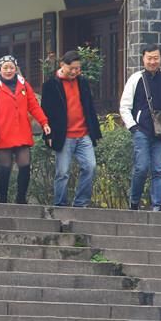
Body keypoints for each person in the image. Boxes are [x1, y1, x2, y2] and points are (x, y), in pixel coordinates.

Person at [119, 44, 161, 211]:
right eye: (149, 58)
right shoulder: (135, 78)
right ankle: (134, 202)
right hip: (142, 130)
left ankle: (157, 206)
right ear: (143, 59)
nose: (152, 61)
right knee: (141, 167)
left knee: (159, 170)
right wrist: (133, 127)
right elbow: (124, 106)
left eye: (156, 58)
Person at [0, 55, 51, 204]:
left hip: (22, 132)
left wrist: (44, 122)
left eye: (11, 67)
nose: (8, 70)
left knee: (25, 165)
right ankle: (3, 199)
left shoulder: (24, 85)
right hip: (3, 133)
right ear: (0, 69)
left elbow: (33, 106)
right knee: (5, 167)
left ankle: (21, 198)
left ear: (16, 69)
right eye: (5, 68)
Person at [41, 51, 102, 207]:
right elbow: (45, 111)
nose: (75, 71)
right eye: (72, 68)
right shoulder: (50, 85)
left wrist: (95, 131)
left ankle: (80, 203)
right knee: (62, 173)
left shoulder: (83, 82)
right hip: (64, 135)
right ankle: (60, 205)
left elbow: (89, 107)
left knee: (90, 167)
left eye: (78, 68)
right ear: (62, 65)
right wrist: (47, 134)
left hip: (83, 133)